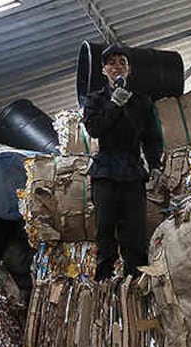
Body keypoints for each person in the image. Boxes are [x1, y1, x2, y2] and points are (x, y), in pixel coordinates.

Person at [81, 44, 164, 281]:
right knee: (105, 230)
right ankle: (104, 283)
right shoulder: (94, 100)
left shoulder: (142, 102)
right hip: (105, 171)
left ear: (129, 70)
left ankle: (136, 286)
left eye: (123, 63)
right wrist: (113, 105)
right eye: (112, 63)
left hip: (132, 171)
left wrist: (155, 165)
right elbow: (95, 129)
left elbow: (151, 138)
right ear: (104, 70)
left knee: (135, 233)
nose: (117, 67)